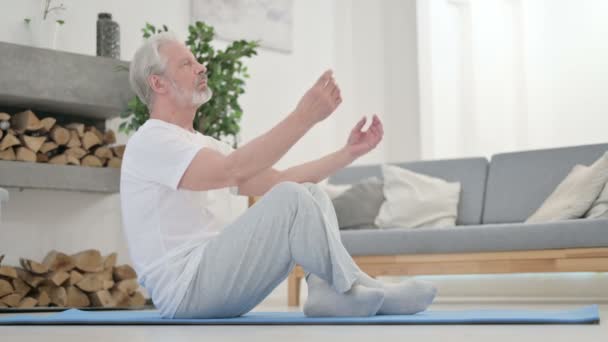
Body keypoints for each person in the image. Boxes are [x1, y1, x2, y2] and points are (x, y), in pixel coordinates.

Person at [120, 32, 437, 319]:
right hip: (186, 291)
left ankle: (338, 289)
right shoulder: (151, 140)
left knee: (308, 192)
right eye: (187, 64)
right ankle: (348, 288)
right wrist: (304, 117)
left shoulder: (204, 144)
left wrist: (348, 153)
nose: (201, 67)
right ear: (158, 83)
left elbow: (276, 179)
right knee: (291, 197)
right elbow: (232, 171)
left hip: (216, 282)